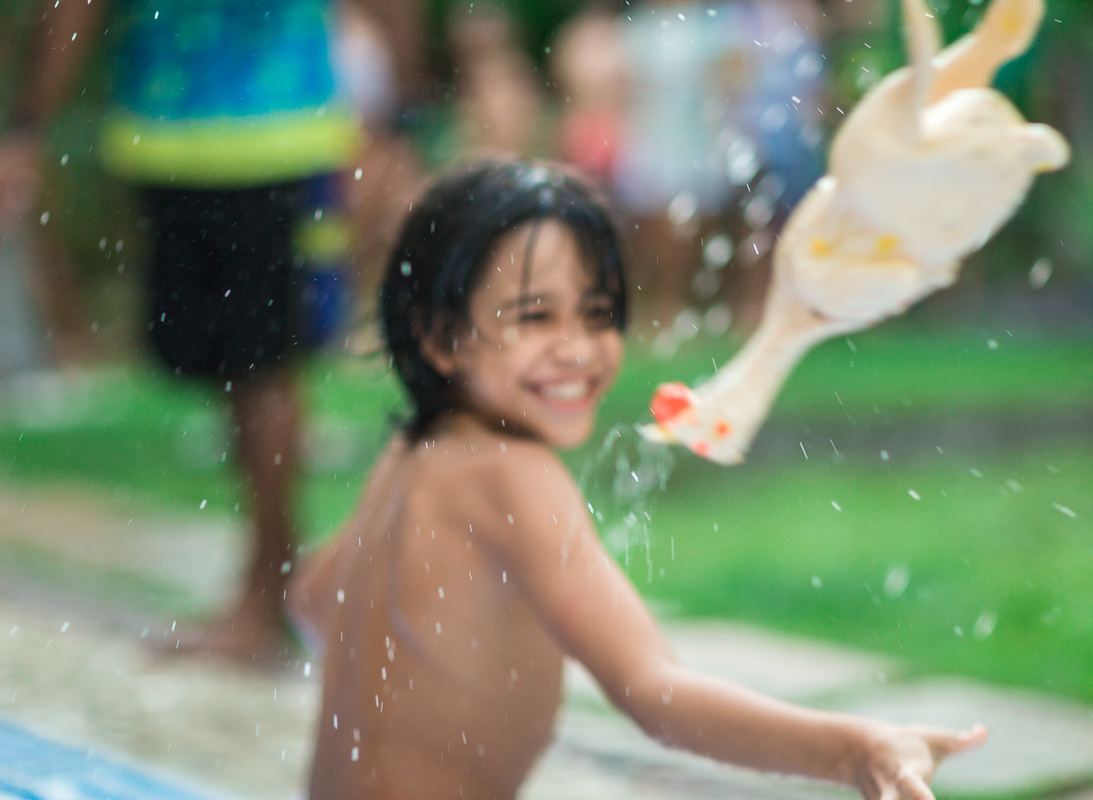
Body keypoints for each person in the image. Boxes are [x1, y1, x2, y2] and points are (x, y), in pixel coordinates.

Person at [289, 159, 987, 800]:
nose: (576, 349)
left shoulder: (414, 457)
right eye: (535, 317)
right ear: (441, 337)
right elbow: (654, 693)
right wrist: (857, 751)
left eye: (596, 315)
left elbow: (315, 600)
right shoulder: (512, 477)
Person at [3, 0, 424, 663]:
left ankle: (270, 595)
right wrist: (405, 108)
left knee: (261, 367)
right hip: (216, 131)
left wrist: (29, 125)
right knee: (247, 369)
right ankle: (267, 586)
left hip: (253, 130)